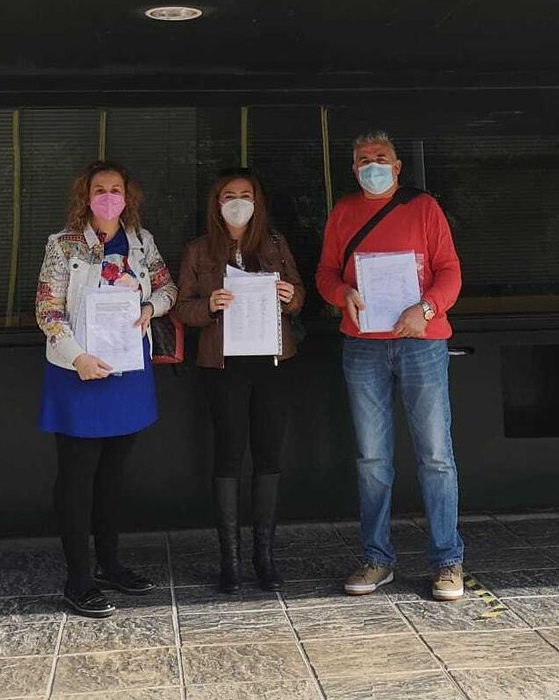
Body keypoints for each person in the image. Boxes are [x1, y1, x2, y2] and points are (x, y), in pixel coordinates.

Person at [315, 131, 465, 601]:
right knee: (372, 459)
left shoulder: (424, 209)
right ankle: (377, 558)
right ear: (353, 168)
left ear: (398, 168)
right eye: (363, 160)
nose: (372, 165)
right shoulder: (343, 213)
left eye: (381, 158)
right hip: (363, 345)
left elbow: (450, 270)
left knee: (436, 456)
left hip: (422, 342)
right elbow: (325, 273)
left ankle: (448, 561)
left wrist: (423, 310)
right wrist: (343, 294)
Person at [36, 159, 177, 618]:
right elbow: (47, 310)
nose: (109, 196)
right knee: (78, 478)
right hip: (78, 373)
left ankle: (110, 564)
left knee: (114, 476)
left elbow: (168, 287)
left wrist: (150, 309)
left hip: (127, 372)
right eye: (100, 188)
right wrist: (77, 356)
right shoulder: (63, 245)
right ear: (86, 195)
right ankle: (78, 580)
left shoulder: (141, 241)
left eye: (116, 188)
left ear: (127, 195)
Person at [173, 169, 307, 593]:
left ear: (257, 201)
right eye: (228, 195)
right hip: (224, 365)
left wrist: (290, 297)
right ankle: (229, 560)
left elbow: (301, 295)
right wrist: (209, 305)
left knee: (268, 456)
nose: (237, 201)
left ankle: (264, 557)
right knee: (229, 456)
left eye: (245, 194)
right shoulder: (198, 250)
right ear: (216, 203)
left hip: (272, 361)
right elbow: (182, 308)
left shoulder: (274, 244)